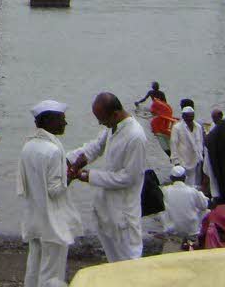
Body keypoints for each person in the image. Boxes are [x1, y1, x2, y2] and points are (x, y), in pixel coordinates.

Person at [68, 92, 148, 262]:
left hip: (123, 213)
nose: (100, 123)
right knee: (113, 263)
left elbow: (129, 178)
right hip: (106, 209)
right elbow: (96, 146)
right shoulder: (112, 126)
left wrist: (89, 176)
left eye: (102, 119)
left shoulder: (135, 136)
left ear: (116, 114)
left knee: (130, 261)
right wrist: (71, 161)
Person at [16, 100, 82, 287]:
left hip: (34, 218)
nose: (65, 123)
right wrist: (73, 173)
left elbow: (23, 185)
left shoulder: (28, 147)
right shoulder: (53, 150)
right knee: (51, 272)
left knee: (34, 265)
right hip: (52, 221)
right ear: (49, 121)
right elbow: (54, 191)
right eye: (61, 119)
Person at [161, 164, 208, 245]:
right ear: (185, 178)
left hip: (172, 229)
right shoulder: (192, 191)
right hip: (191, 229)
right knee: (206, 211)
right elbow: (204, 206)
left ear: (171, 178)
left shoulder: (165, 191)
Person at [169, 104, 205, 188]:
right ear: (183, 116)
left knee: (194, 183)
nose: (190, 119)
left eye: (192, 117)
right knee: (183, 183)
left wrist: (200, 156)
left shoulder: (198, 127)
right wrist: (175, 160)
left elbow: (200, 142)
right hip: (182, 160)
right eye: (188, 117)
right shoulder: (177, 128)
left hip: (195, 159)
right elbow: (173, 144)